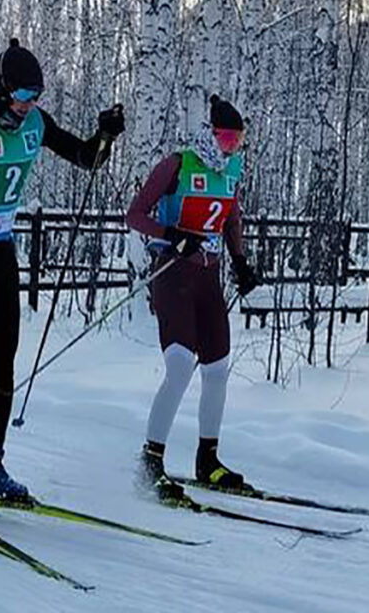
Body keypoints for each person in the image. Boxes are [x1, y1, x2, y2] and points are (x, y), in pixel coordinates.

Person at [0, 38, 125, 517]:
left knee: (4, 368)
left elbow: (86, 157)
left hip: (0, 255)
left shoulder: (34, 123)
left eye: (35, 99)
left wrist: (106, 135)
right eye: (22, 97)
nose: (29, 107)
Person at [126, 94, 260, 502]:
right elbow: (135, 214)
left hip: (209, 278)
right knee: (181, 365)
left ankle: (208, 458)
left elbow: (231, 213)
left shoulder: (232, 168)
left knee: (217, 368)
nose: (231, 147)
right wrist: (172, 235)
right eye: (225, 138)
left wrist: (240, 260)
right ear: (209, 134)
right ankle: (150, 460)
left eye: (237, 140)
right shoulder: (178, 165)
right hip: (173, 275)